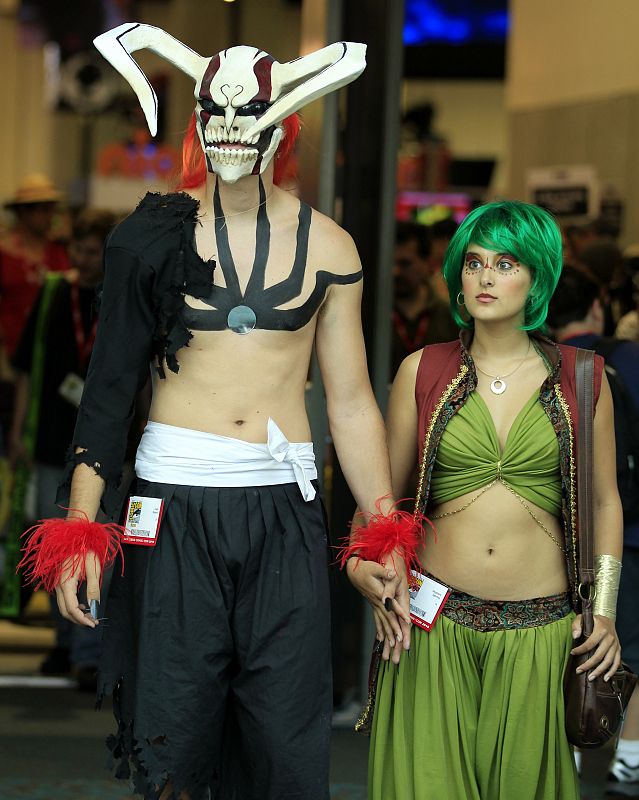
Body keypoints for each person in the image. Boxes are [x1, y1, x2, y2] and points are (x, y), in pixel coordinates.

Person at [19, 24, 406, 800]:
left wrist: (384, 529)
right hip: (172, 505)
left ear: (281, 122)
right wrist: (80, 529)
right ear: (197, 118)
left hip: (281, 508)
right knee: (173, 723)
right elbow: (109, 387)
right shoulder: (149, 237)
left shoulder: (331, 248)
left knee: (284, 733)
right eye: (214, 113)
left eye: (248, 114)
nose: (230, 129)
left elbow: (352, 399)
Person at [347, 200, 623, 800]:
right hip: (431, 631)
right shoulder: (422, 371)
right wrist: (360, 565)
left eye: (505, 263)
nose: (485, 277)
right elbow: (380, 501)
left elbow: (604, 502)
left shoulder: (583, 378)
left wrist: (603, 609)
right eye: (473, 263)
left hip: (541, 634)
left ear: (539, 276)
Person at [9, 209, 117, 685]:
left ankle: (87, 647)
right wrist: (18, 431)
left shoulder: (118, 296)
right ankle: (63, 637)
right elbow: (28, 369)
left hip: (104, 445)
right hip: (54, 437)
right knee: (54, 540)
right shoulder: (54, 294)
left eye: (93, 251)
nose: (83, 259)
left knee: (94, 540)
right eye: (79, 249)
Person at [548, 265, 639, 791]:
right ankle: (623, 754)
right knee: (617, 649)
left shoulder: (567, 371)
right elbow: (610, 498)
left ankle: (573, 754)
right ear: (598, 307)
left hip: (557, 544)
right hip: (624, 536)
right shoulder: (612, 365)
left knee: (577, 650)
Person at [0, 174, 69, 361]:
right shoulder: (5, 253)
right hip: (11, 353)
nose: (51, 217)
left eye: (52, 210)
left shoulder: (59, 250)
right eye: (44, 210)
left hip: (52, 352)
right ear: (23, 212)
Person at [391, 221, 457, 376]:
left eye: (405, 264)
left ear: (427, 263)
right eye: (391, 263)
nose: (396, 271)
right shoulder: (370, 313)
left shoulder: (449, 316)